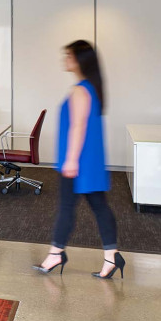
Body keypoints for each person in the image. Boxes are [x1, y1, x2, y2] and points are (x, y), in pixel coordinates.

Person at [34, 40, 125, 279]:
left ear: (79, 61)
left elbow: (78, 126)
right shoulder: (91, 88)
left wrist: (71, 160)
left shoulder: (80, 90)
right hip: (90, 160)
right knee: (99, 207)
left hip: (78, 161)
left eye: (69, 56)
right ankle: (112, 256)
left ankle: (56, 254)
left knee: (67, 207)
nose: (65, 59)